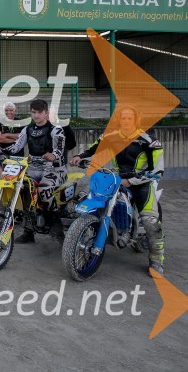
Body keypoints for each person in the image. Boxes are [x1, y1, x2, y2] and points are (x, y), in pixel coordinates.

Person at [70, 105, 166, 275]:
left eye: (130, 118)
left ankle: (156, 260)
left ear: (136, 121)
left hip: (142, 183)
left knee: (150, 222)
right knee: (89, 198)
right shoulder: (110, 136)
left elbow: (157, 171)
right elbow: (93, 148)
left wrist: (133, 180)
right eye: (123, 118)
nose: (126, 121)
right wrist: (79, 157)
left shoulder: (150, 142)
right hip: (117, 179)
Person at [3, 99, 67, 243]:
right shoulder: (27, 129)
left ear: (46, 113)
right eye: (34, 112)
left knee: (44, 189)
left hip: (56, 169)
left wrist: (53, 155)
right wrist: (0, 151)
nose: (37, 116)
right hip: (33, 168)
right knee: (22, 190)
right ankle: (28, 231)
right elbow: (16, 146)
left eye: (40, 112)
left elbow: (59, 149)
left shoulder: (56, 130)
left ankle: (57, 225)